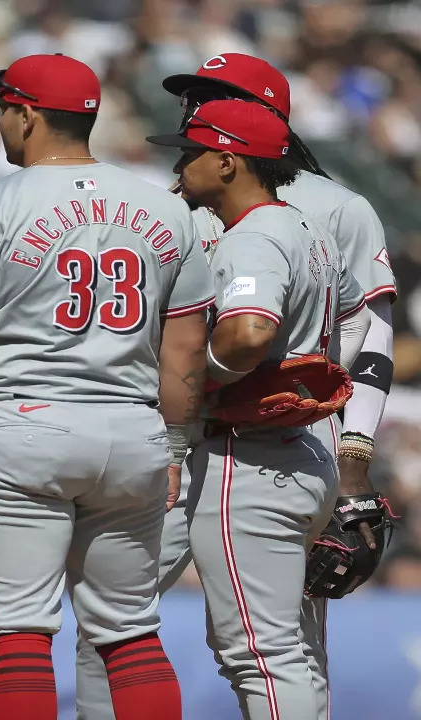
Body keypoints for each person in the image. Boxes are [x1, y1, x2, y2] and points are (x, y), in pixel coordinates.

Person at [0, 54, 205, 720]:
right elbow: (187, 347)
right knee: (130, 631)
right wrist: (174, 445)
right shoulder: (164, 210)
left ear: (24, 113)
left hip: (19, 427)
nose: (0, 126)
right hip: (132, 429)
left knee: (18, 631)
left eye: (3, 112)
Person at [75, 53, 397, 720]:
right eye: (192, 96)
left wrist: (356, 459)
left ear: (262, 121)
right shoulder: (192, 201)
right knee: (112, 614)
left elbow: (366, 338)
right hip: (183, 443)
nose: (194, 108)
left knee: (274, 645)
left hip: (262, 438)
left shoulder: (328, 208)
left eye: (214, 97)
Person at [142, 99, 369, 718]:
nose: (181, 163)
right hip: (296, 454)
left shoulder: (256, 235)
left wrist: (196, 381)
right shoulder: (306, 229)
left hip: (247, 459)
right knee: (277, 648)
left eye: (189, 152)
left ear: (227, 160)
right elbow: (352, 320)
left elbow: (246, 333)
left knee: (261, 655)